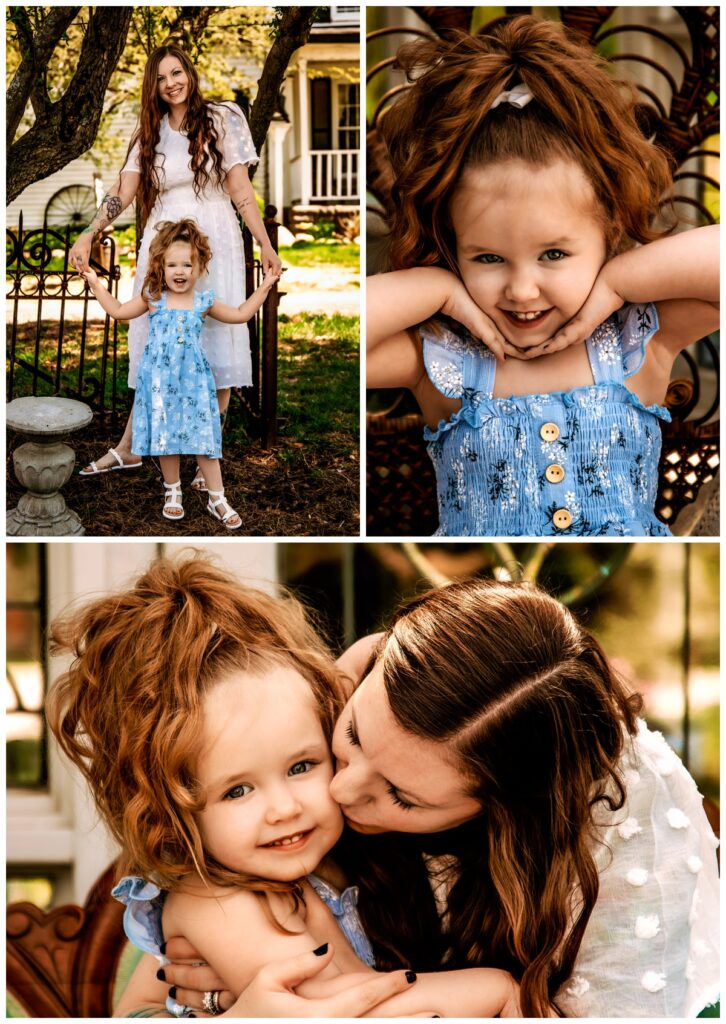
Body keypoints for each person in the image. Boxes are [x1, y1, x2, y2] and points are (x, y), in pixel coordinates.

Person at [147, 577, 718, 1018]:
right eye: (352, 737)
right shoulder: (307, 712)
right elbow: (147, 995)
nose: (338, 789)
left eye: (401, 795)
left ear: (500, 815)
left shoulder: (617, 834)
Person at [46, 558, 525, 1019]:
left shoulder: (315, 867)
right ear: (168, 811)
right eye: (237, 791)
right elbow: (342, 1009)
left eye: (302, 766)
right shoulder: (216, 900)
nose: (284, 808)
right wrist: (498, 986)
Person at [367, 16, 719, 536]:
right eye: (487, 259)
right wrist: (442, 290)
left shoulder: (639, 339)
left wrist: (618, 283)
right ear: (452, 248)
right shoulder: (439, 357)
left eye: (554, 254)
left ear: (610, 229)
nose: (521, 290)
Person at [70, 44, 283, 483]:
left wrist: (263, 243)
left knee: (218, 338)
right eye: (162, 77)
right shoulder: (149, 131)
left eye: (177, 72)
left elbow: (241, 192)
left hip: (215, 238)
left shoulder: (222, 118)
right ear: (155, 86)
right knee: (155, 340)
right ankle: (129, 448)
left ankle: (209, 459)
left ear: (190, 71)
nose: (171, 83)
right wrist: (90, 231)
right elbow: (123, 191)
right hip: (164, 243)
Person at [79, 220, 278, 528]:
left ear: (199, 267)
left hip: (194, 383)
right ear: (160, 265)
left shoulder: (203, 301)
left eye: (187, 264)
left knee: (203, 440)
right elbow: (118, 312)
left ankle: (218, 498)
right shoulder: (153, 297)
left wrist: (265, 286)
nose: (180, 271)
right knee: (164, 437)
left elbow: (240, 315)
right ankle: (172, 491)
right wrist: (94, 281)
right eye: (172, 264)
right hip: (159, 381)